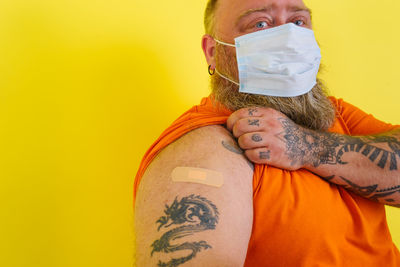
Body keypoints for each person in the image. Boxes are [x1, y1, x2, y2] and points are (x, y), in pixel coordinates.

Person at [134, 0, 400, 266]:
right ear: (213, 51)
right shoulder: (204, 148)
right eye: (260, 23)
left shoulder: (333, 113)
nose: (289, 38)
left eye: (298, 22)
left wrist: (307, 147)